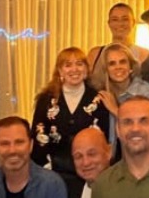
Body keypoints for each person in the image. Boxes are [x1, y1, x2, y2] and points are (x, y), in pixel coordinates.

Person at [30, 47, 106, 186]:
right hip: (53, 174)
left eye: (79, 63)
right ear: (60, 70)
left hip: (90, 176)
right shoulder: (46, 100)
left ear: (86, 69)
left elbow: (104, 138)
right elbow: (39, 135)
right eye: (68, 65)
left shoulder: (99, 99)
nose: (74, 69)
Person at [94, 42, 149, 158]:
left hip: (140, 155)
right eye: (112, 64)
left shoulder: (144, 90)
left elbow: (146, 127)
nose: (118, 67)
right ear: (106, 69)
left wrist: (115, 110)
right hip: (111, 158)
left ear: (131, 67)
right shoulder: (102, 94)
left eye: (123, 62)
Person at [87, 2, 149, 90]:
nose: (120, 24)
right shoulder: (95, 54)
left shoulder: (144, 54)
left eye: (125, 19)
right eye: (115, 19)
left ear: (133, 22)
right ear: (109, 23)